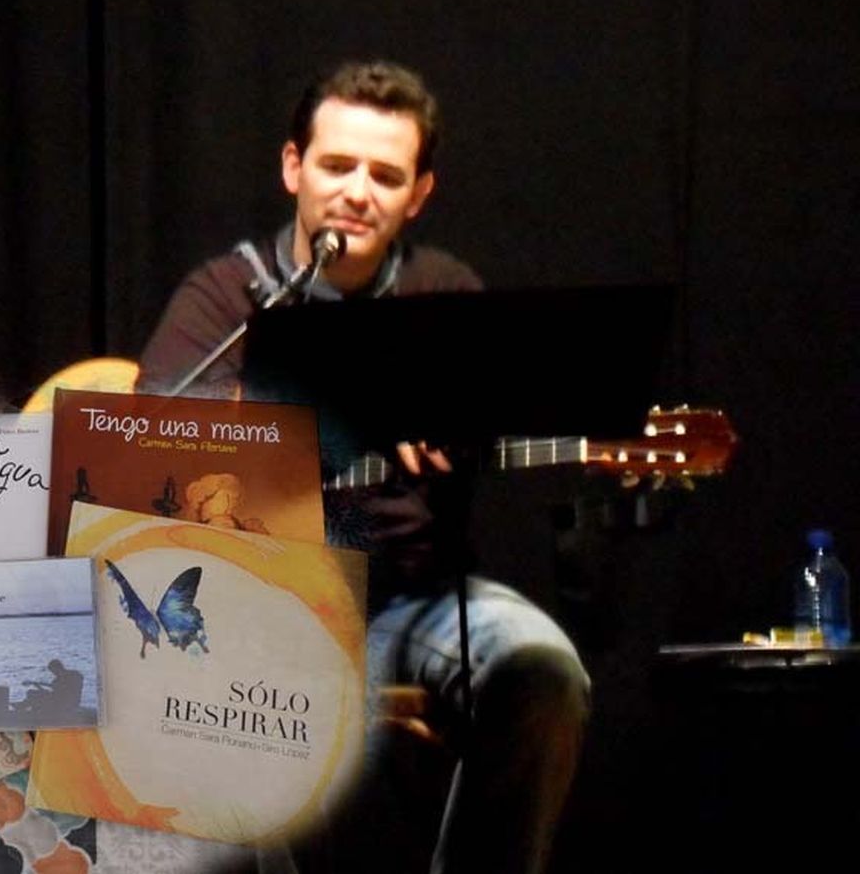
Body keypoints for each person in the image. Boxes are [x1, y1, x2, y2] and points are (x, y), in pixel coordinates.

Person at [137, 61, 589, 874]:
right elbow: (155, 451)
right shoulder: (226, 295)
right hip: (260, 609)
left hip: (410, 606)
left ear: (417, 194)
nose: (358, 190)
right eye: (337, 165)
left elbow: (489, 424)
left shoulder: (444, 292)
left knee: (541, 664)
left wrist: (457, 424)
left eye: (386, 174)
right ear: (292, 169)